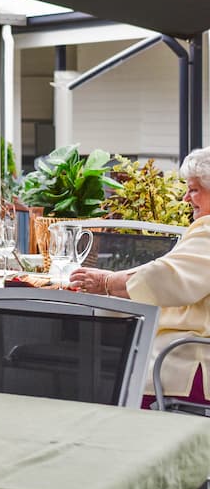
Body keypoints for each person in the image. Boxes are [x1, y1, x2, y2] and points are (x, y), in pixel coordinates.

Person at [71, 148, 210, 408]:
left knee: (112, 387)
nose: (185, 198)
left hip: (189, 363)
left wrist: (106, 283)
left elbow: (165, 277)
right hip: (187, 351)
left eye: (193, 190)